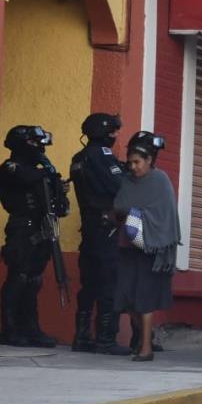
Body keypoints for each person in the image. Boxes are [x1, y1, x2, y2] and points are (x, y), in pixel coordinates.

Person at [0, 125, 69, 348]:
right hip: (22, 229)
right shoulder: (11, 166)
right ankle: (10, 329)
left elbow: (57, 203)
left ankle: (31, 329)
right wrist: (48, 173)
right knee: (18, 277)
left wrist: (57, 187)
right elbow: (27, 177)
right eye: (33, 143)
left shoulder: (40, 170)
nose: (38, 148)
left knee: (34, 280)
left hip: (42, 229)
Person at [113, 131, 180, 362]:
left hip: (152, 248)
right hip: (127, 246)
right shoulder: (127, 182)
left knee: (144, 297)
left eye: (137, 162)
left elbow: (165, 215)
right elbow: (120, 205)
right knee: (125, 296)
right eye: (130, 162)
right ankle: (144, 336)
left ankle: (145, 349)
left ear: (149, 161)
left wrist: (140, 217)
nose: (133, 167)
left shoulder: (160, 181)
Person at [68, 113, 132, 355]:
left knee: (90, 284)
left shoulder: (78, 158)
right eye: (113, 131)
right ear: (103, 133)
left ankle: (81, 337)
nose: (116, 136)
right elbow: (121, 186)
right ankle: (105, 339)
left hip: (90, 228)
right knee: (108, 284)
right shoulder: (102, 156)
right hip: (107, 228)